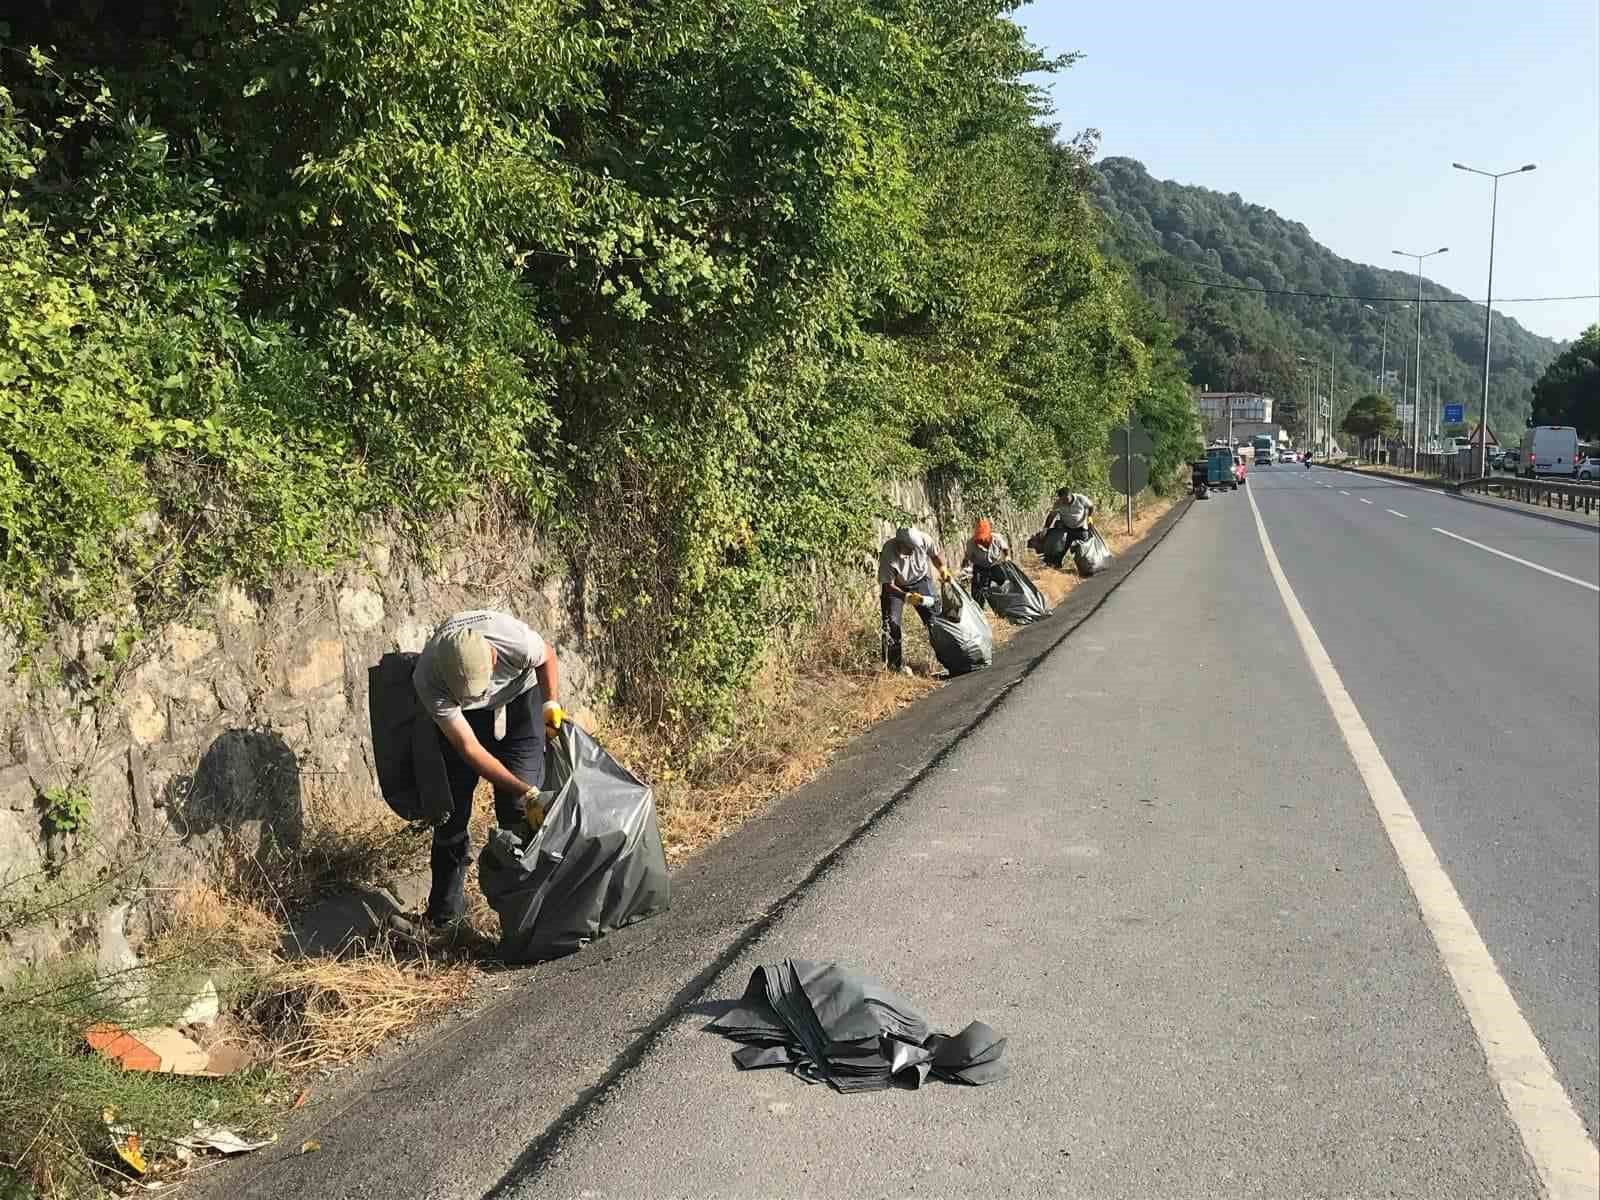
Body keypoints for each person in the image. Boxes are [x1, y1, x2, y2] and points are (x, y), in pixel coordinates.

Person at [399, 609, 566, 936]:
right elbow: (470, 749)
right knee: (451, 811)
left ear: (493, 657)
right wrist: (526, 789)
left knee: (518, 811)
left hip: (520, 696)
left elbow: (547, 656)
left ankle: (530, 919)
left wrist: (550, 705)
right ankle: (444, 920)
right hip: (466, 717)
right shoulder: (429, 677)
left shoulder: (512, 640)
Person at [878, 525, 948, 675]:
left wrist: (942, 569)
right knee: (891, 625)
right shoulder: (889, 552)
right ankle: (894, 669)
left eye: (916, 547)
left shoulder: (923, 540)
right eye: (910, 548)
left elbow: (935, 555)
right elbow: (887, 585)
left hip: (920, 581)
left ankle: (947, 659)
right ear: (900, 544)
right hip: (896, 587)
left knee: (935, 619)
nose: (914, 550)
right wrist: (906, 596)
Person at [1040, 488, 1096, 568]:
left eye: (1066, 498)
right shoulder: (1058, 503)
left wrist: (1089, 517)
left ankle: (1089, 566)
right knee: (1061, 548)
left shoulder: (1080, 499)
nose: (1065, 501)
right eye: (1062, 499)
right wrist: (1045, 528)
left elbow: (1091, 506)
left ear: (1071, 495)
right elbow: (1051, 516)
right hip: (1067, 529)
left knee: (1085, 549)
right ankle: (1056, 565)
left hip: (1081, 528)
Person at [962, 517, 1010, 608]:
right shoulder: (971, 543)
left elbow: (1005, 549)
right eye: (979, 539)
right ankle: (980, 610)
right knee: (978, 593)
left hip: (995, 565)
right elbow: (967, 558)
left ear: (988, 535)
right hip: (980, 568)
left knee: (1006, 582)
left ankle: (1007, 604)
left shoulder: (997, 538)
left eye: (983, 539)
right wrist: (964, 570)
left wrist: (1007, 558)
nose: (981, 541)